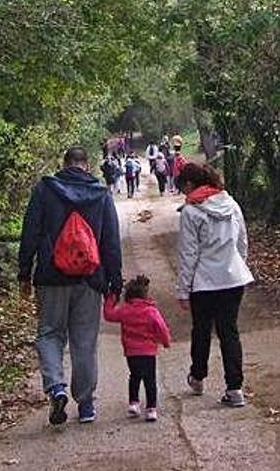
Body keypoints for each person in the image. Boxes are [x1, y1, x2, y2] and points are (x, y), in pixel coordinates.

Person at [18, 146, 123, 426]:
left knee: (49, 333)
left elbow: (30, 232)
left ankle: (56, 387)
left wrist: (24, 273)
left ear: (63, 165)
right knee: (84, 341)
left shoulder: (45, 190)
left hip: (51, 278)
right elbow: (111, 241)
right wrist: (115, 280)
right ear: (86, 166)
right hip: (90, 279)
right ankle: (86, 404)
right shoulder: (101, 194)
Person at [176, 163, 254, 406]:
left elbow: (189, 254)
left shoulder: (191, 212)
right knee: (229, 331)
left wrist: (183, 289)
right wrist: (238, 265)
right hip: (232, 278)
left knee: (202, 330)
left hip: (204, 281)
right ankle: (235, 389)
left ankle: (198, 377)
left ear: (189, 185)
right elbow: (242, 241)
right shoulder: (231, 203)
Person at [103, 275, 171, 422]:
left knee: (134, 376)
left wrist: (111, 297)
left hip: (132, 352)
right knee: (150, 379)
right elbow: (162, 328)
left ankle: (134, 403)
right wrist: (165, 342)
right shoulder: (151, 311)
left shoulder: (125, 310)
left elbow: (109, 315)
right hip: (149, 351)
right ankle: (151, 408)